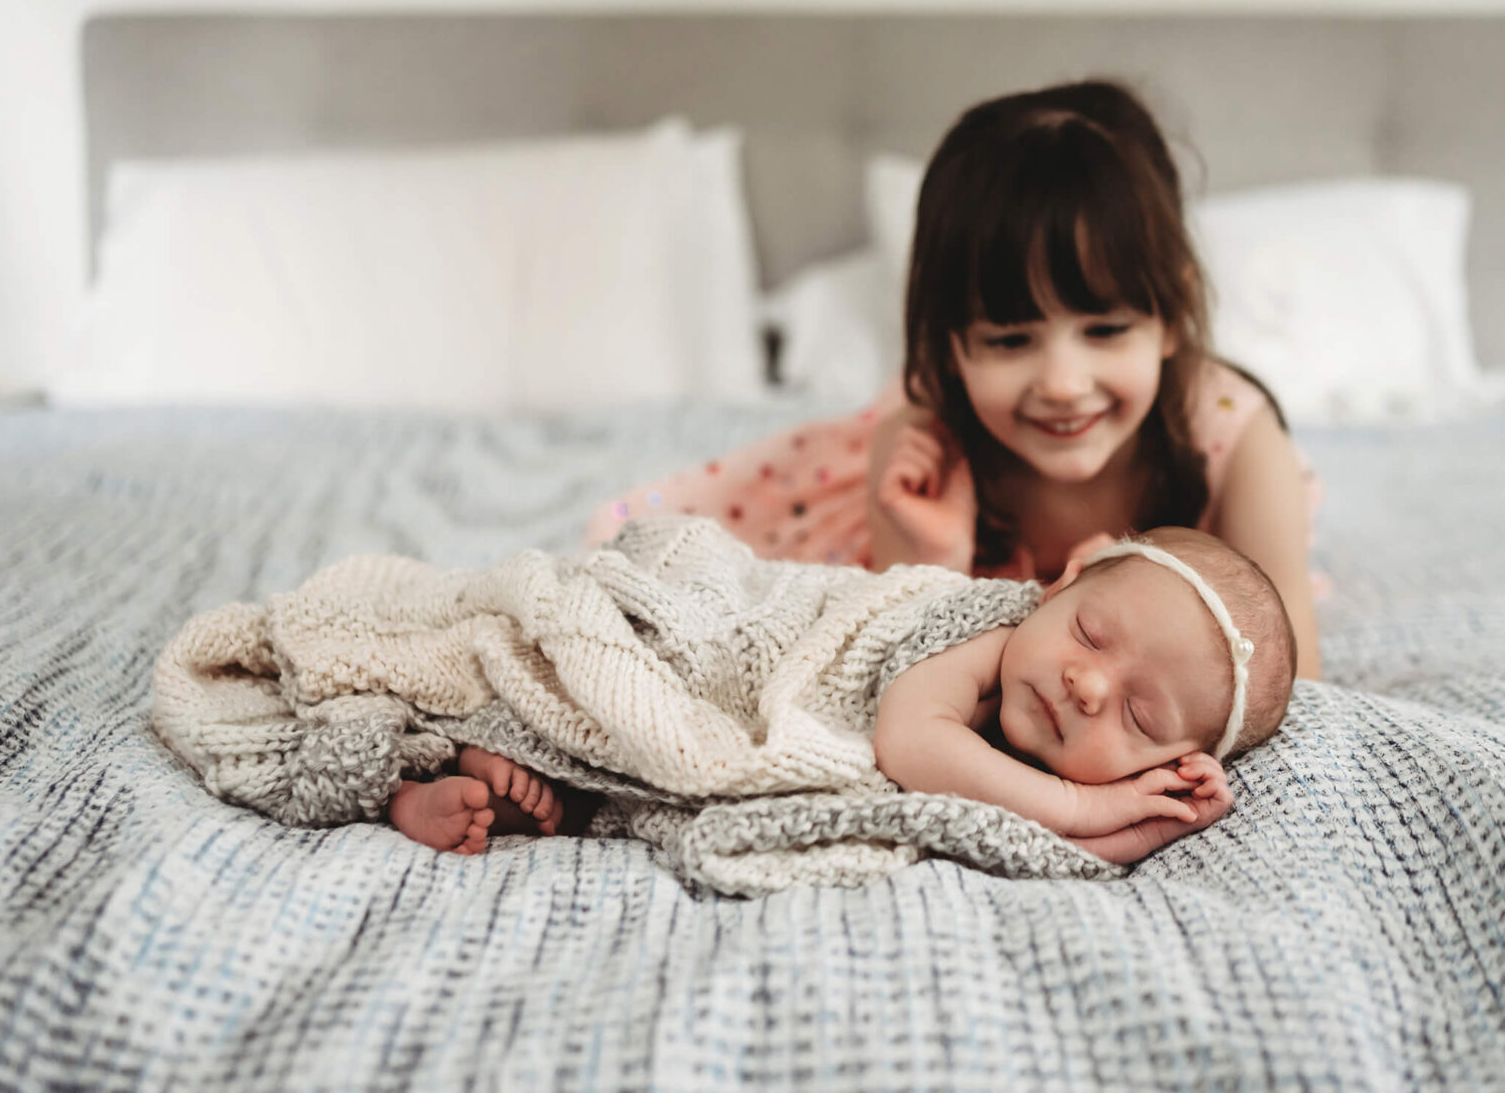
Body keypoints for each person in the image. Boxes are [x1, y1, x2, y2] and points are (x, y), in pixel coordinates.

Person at [586, 80, 1320, 681]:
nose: (1064, 383)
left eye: (1106, 330)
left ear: (1169, 316)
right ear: (951, 344)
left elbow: (1296, 681)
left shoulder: (1239, 438)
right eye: (1009, 339)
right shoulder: (920, 447)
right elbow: (893, 680)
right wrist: (933, 564)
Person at [388, 525, 1297, 867]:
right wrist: (1085, 804)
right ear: (1065, 580)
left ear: (1174, 762)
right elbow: (911, 739)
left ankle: (517, 780)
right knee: (568, 672)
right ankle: (446, 745)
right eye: (1093, 634)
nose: (1088, 682)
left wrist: (1141, 826)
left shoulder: (1060, 745)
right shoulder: (990, 628)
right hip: (731, 629)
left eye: (1139, 718)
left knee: (620, 771)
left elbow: (1015, 826)